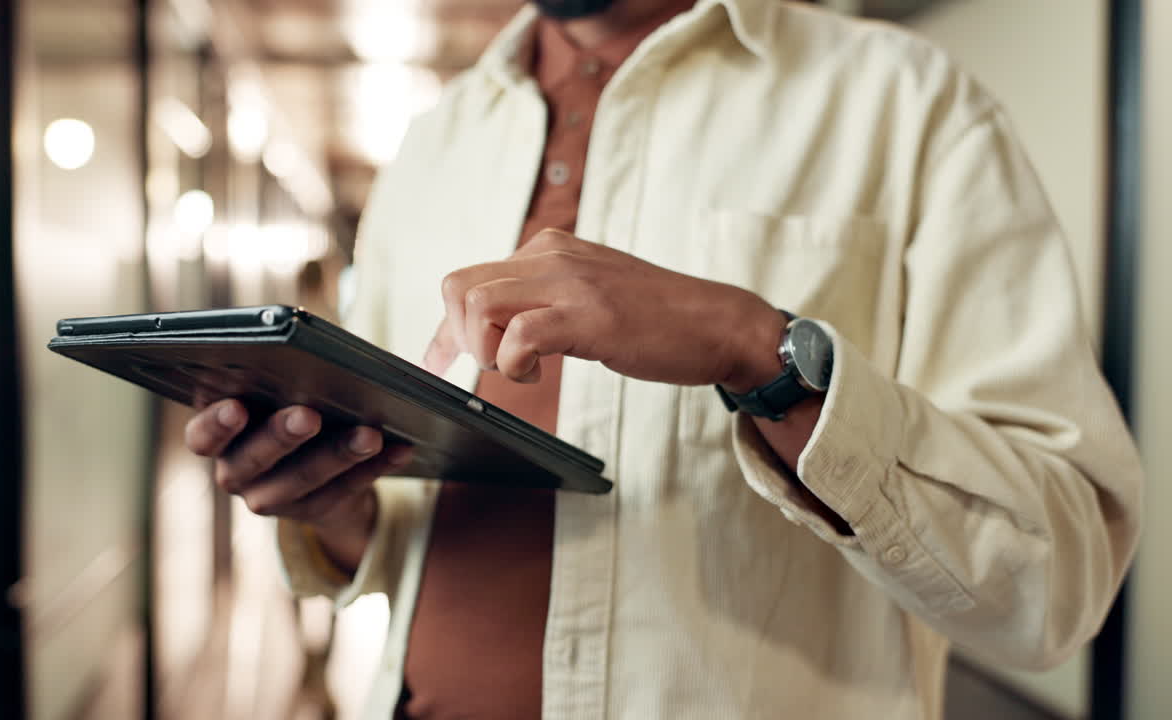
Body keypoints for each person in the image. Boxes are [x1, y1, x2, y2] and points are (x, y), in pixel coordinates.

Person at [182, 0, 1144, 717]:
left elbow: (1057, 583)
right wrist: (337, 506)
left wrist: (754, 347)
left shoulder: (909, 103)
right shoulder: (433, 145)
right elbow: (409, 541)